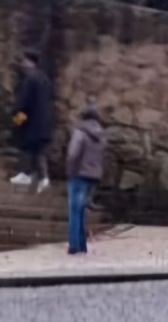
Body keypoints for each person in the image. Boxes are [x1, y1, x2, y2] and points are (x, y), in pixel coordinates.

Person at [9, 49, 53, 193]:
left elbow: (24, 102)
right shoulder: (44, 78)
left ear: (29, 61)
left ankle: (25, 173)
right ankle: (44, 177)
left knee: (26, 147)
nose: (21, 64)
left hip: (30, 120)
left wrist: (16, 118)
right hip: (44, 121)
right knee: (39, 151)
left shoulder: (30, 78)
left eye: (23, 61)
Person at [65, 100, 105, 255]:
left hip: (78, 175)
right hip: (93, 178)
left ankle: (75, 244)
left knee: (75, 210)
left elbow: (73, 154)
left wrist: (70, 170)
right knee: (82, 210)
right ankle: (81, 244)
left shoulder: (80, 132)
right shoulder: (101, 135)